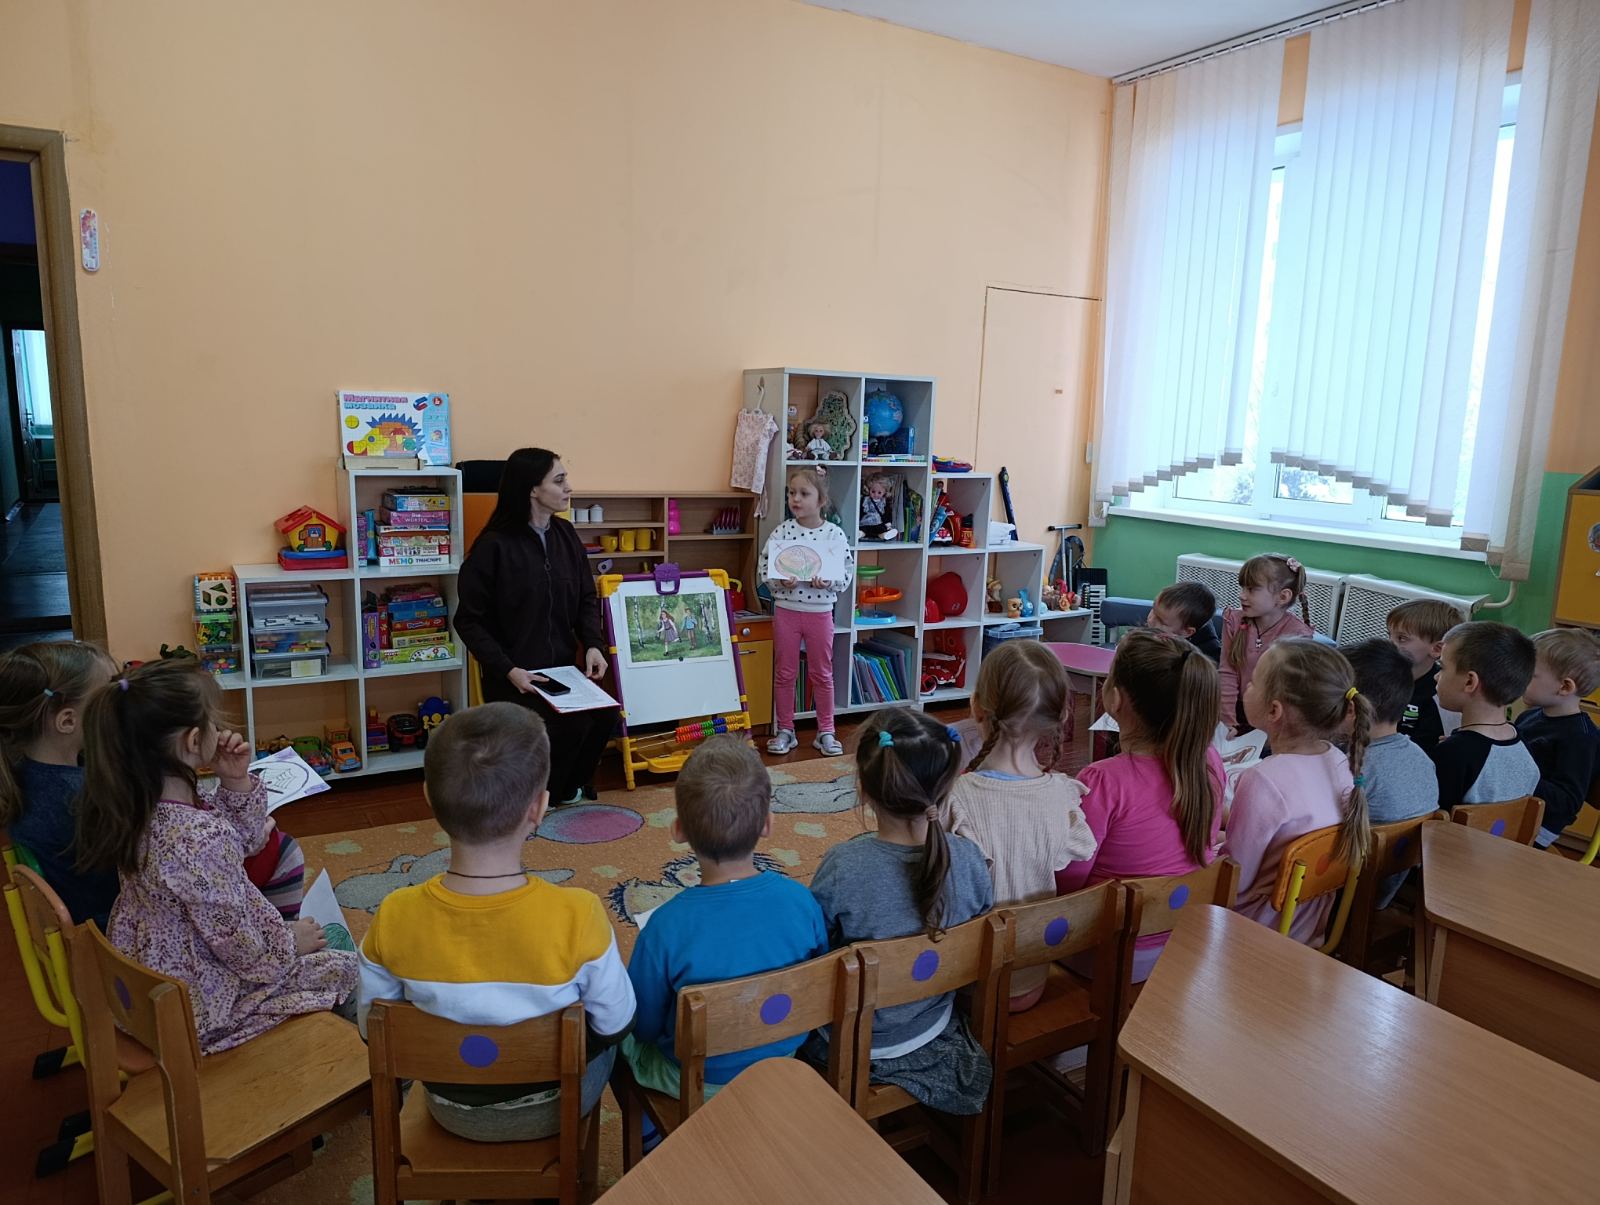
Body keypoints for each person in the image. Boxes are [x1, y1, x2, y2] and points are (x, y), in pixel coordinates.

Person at [358, 703, 634, 1141]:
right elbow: (615, 1022)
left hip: (450, 1108)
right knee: (622, 1042)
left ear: (428, 798)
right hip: (556, 1107)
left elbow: (372, 1029)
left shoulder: (393, 913)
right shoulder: (578, 914)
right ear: (539, 808)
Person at [75, 660, 356, 1053]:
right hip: (200, 1003)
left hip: (154, 981)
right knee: (344, 966)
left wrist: (235, 781)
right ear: (193, 741)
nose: (219, 728)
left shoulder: (134, 804)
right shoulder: (199, 839)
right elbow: (241, 947)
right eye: (212, 719)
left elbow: (237, 844)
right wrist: (290, 942)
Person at [805, 709, 993, 1115]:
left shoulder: (843, 867)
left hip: (853, 1038)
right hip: (933, 1023)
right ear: (948, 786)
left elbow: (813, 954)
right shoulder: (970, 858)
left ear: (863, 790)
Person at [622, 736, 826, 1107]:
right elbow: (816, 983)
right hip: (781, 1059)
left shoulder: (664, 928)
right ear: (767, 825)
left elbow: (644, 1026)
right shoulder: (802, 901)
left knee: (612, 1036)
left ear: (678, 830)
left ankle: (651, 1132)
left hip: (691, 1079)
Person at [1056, 630, 1225, 980]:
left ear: (1115, 698)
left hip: (1110, 952)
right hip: (1183, 941)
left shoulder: (1102, 780)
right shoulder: (1208, 762)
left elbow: (1067, 882)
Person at [455, 448, 615, 805]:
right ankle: (544, 799)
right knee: (569, 727)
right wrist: (508, 669)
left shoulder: (566, 534)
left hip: (561, 672)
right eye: (559, 481)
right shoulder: (493, 546)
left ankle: (566, 792)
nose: (568, 488)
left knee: (605, 716)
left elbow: (586, 598)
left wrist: (593, 644)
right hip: (516, 675)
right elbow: (468, 620)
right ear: (532, 490)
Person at [943, 641, 1095, 1010]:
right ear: (1060, 717)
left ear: (976, 706)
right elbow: (1082, 850)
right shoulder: (1064, 794)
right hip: (1032, 980)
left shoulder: (957, 798)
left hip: (970, 985)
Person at [1221, 640, 1371, 944]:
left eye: (1253, 682)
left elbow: (1234, 880)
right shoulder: (1339, 761)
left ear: (1274, 710)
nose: (1247, 687)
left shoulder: (1264, 780)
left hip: (1251, 935)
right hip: (1307, 931)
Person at [0, 641, 122, 927]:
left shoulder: (22, 775)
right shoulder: (78, 797)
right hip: (107, 932)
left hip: (80, 928)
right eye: (108, 697)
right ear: (67, 721)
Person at [760, 468, 854, 756]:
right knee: (785, 673)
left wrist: (829, 582)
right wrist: (780, 581)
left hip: (820, 613)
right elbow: (765, 567)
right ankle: (785, 730)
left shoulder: (834, 535)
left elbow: (846, 573)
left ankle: (826, 731)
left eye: (804, 493)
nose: (795, 499)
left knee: (822, 673)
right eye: (791, 493)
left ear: (821, 500)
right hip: (786, 611)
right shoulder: (783, 532)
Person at [1343, 639, 1439, 908]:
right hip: (1385, 891)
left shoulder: (1354, 769)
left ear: (1350, 709)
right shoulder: (1422, 758)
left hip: (1341, 895)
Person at [1428, 621, 1539, 811]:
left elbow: (1430, 817)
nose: (1436, 676)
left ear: (1469, 682)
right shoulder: (1521, 743)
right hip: (1503, 832)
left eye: (1442, 667)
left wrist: (1452, 750)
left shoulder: (1454, 754)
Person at [1517, 628, 1600, 848]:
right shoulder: (1530, 715)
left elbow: (1567, 803)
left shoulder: (1580, 738)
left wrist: (1518, 773)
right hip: (1514, 807)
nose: (1519, 677)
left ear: (1564, 686)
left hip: (1537, 828)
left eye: (1529, 673)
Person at [1218, 553, 1315, 734]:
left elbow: (1287, 691)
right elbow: (1227, 672)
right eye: (1242, 588)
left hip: (1269, 717)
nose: (1242, 596)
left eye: (1251, 589)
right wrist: (1228, 721)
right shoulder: (1233, 621)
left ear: (1283, 597)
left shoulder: (1297, 635)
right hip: (1232, 711)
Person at [1386, 599, 1466, 749]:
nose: (1389, 644)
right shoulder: (1381, 676)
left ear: (1437, 649)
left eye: (1402, 638)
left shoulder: (1441, 693)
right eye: (1389, 635)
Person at [1147, 581, 1221, 662]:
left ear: (1187, 632)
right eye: (1153, 610)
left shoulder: (1204, 658)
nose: (1151, 619)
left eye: (1161, 622)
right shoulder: (1159, 627)